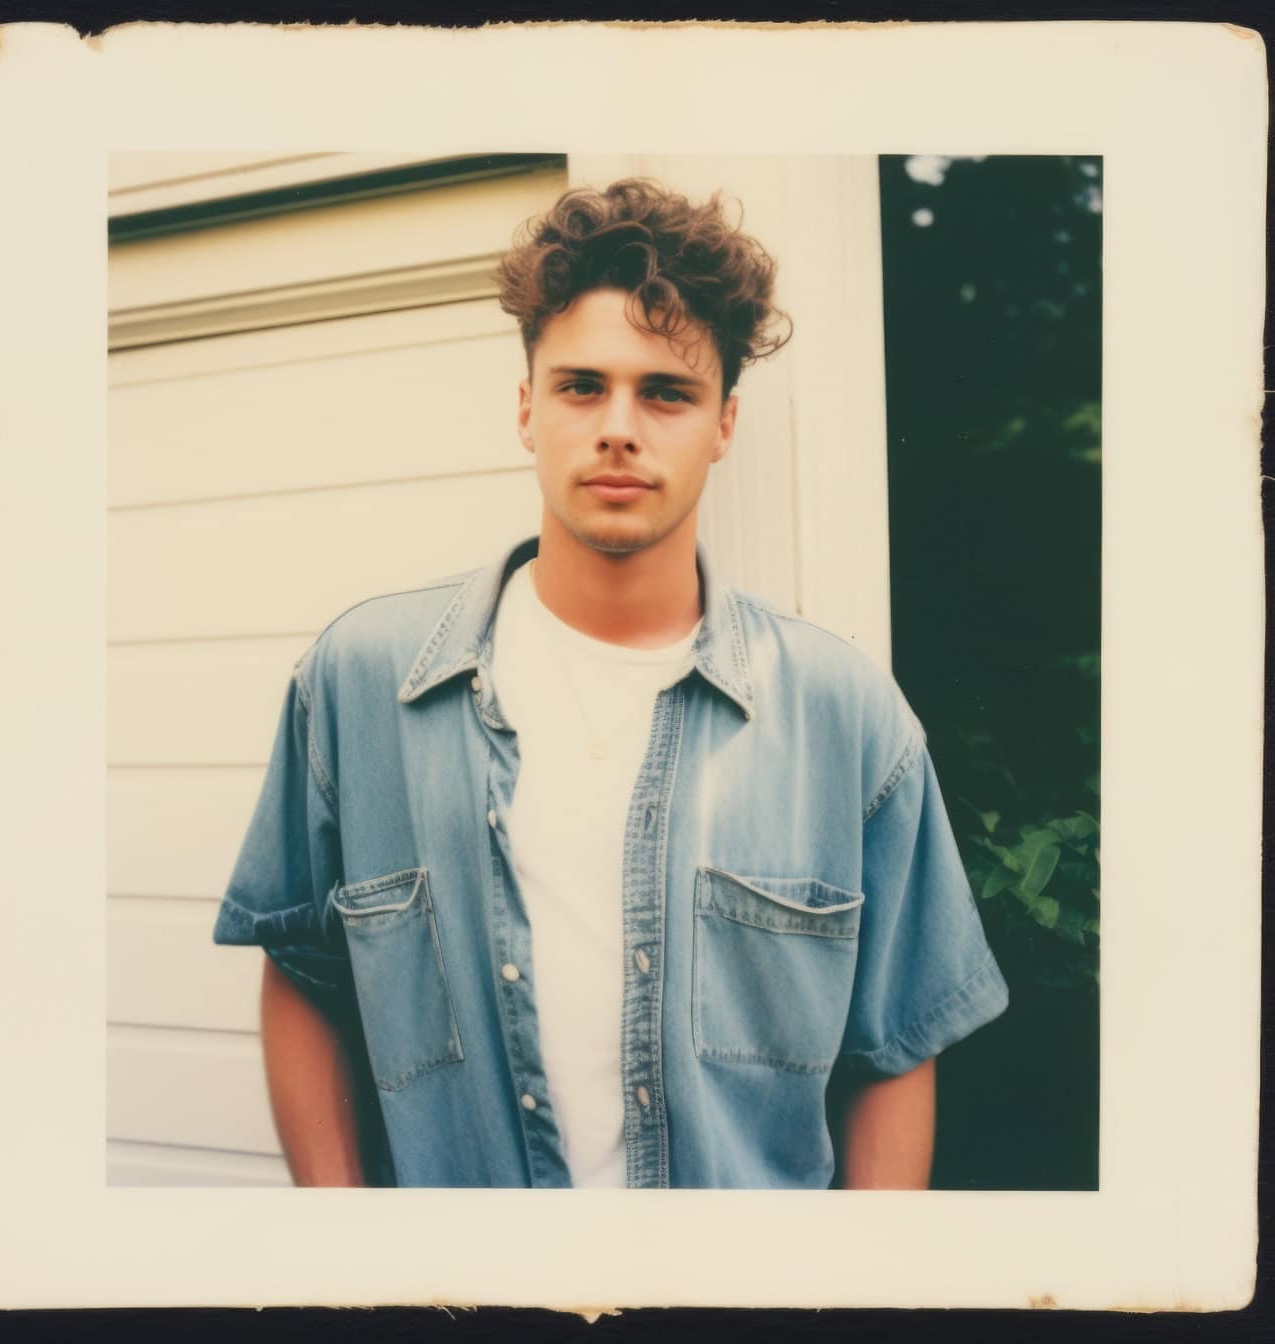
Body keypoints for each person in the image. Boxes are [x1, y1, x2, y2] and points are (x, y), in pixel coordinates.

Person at [212, 178, 1009, 1189]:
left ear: (724, 422)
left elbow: (896, 1046)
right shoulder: (363, 684)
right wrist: (350, 1254)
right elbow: (305, 972)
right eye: (582, 386)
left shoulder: (842, 716)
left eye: (666, 392)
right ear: (526, 409)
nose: (619, 427)